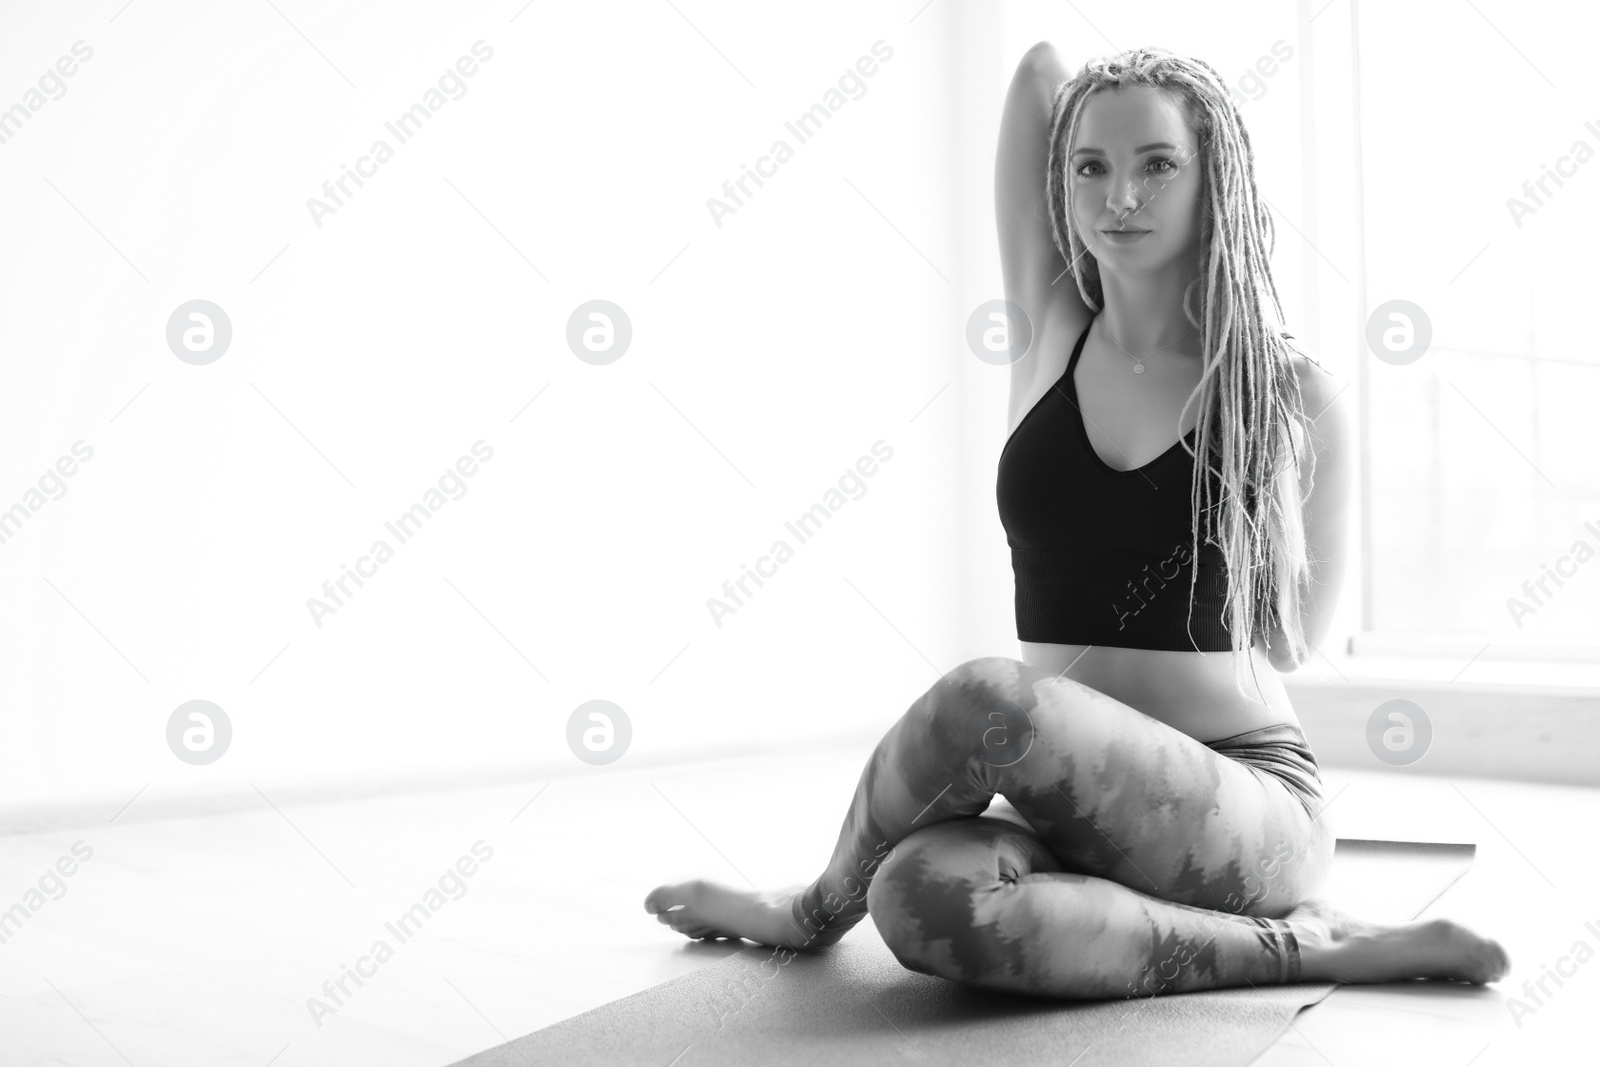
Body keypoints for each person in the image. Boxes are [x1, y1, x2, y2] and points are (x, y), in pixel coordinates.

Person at [645, 43, 1508, 998]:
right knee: (916, 896)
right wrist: (1120, 85)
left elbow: (1293, 641)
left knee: (987, 700)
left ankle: (805, 912)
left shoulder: (1288, 391)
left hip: (1246, 808)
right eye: (1091, 166)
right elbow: (1035, 77)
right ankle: (1314, 947)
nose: (1120, 197)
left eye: (1158, 163)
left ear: (1216, 176)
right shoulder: (1049, 330)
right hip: (1070, 809)